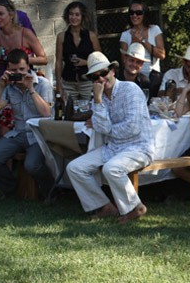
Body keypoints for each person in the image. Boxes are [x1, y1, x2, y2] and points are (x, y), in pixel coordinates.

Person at [66, 52, 154, 224]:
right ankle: (105, 206)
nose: (100, 79)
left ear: (113, 70)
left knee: (111, 168)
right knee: (74, 168)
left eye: (103, 73)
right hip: (113, 148)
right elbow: (102, 127)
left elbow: (132, 128)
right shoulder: (98, 97)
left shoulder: (131, 90)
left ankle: (135, 207)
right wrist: (98, 100)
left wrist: (108, 129)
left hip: (138, 147)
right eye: (94, 76)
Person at [0, 49, 54, 198]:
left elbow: (47, 113)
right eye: (14, 70)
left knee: (31, 165)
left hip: (38, 135)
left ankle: (51, 190)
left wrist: (31, 89)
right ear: (8, 70)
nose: (19, 73)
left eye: (21, 69)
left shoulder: (42, 84)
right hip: (18, 133)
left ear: (28, 66)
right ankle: (11, 190)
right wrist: (1, 86)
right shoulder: (9, 87)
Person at [0, 0, 48, 135]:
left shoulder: (25, 33)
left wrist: (22, 61)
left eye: (1, 14)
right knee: (4, 129)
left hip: (25, 81)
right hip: (8, 84)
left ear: (10, 15)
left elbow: (44, 58)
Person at [55, 1, 101, 101]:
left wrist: (85, 62)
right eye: (71, 14)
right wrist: (59, 84)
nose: (74, 17)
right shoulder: (61, 37)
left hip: (87, 82)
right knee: (69, 113)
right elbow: (58, 61)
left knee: (90, 111)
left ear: (82, 16)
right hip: (68, 83)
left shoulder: (91, 36)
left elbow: (100, 60)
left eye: (77, 14)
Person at [119, 2, 165, 97]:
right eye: (132, 13)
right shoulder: (125, 34)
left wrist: (143, 40)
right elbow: (124, 60)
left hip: (152, 77)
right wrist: (133, 41)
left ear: (145, 14)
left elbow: (162, 55)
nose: (134, 15)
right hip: (134, 77)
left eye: (138, 12)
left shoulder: (155, 29)